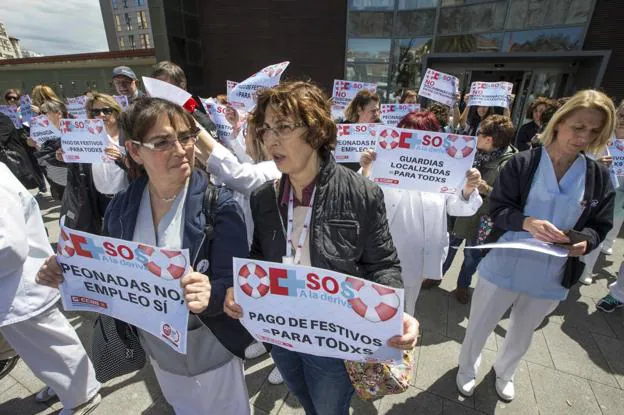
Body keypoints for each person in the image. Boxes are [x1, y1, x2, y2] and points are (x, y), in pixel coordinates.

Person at [37, 97, 254, 414]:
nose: (181, 150)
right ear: (135, 151)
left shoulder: (218, 204)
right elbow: (108, 264)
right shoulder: (123, 206)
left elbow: (236, 283)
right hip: (158, 346)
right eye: (163, 142)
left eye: (186, 137)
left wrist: (213, 292)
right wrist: (67, 266)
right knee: (182, 405)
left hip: (211, 346)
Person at [223, 81, 419, 414]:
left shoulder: (360, 193)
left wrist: (394, 315)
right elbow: (259, 255)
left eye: (283, 128)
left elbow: (383, 263)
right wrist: (238, 289)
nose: (270, 140)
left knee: (329, 408)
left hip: (333, 342)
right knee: (304, 399)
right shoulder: (264, 197)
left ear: (315, 133)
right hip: (281, 335)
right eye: (265, 130)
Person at [456, 90, 615, 402]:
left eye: (595, 131)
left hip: (552, 273)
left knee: (523, 330)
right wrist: (526, 222)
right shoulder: (523, 163)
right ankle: (466, 366)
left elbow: (601, 225)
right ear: (559, 122)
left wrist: (585, 241)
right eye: (578, 127)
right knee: (480, 323)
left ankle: (505, 370)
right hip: (503, 264)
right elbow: (497, 209)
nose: (584, 137)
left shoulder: (597, 175)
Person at [1, 162, 101, 414]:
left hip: (22, 286)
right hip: (12, 291)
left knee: (53, 344)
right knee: (36, 350)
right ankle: (63, 385)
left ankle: (83, 395)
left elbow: (10, 248)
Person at [359, 110, 482, 314]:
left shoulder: (446, 168)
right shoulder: (384, 163)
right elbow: (362, 198)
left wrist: (468, 188)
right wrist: (366, 169)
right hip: (378, 254)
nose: (410, 144)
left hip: (415, 258)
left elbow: (458, 207)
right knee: (371, 306)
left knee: (405, 310)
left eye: (418, 137)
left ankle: (402, 343)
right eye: (406, 136)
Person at [195, 106, 284, 384]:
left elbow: (237, 173)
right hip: (252, 249)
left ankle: (283, 356)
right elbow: (234, 164)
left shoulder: (271, 169)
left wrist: (193, 130)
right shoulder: (257, 164)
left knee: (278, 306)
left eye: (248, 133)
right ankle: (266, 340)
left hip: (273, 252)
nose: (242, 139)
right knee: (257, 301)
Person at [425, 116, 519, 303]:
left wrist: (486, 189)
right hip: (458, 212)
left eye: (480, 133)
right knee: (449, 247)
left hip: (483, 218)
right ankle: (436, 276)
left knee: (472, 254)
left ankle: (462, 285)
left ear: (489, 139)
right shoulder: (470, 151)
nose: (475, 136)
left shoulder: (510, 163)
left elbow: (511, 197)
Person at [60, 93, 127, 234]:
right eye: (95, 112)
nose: (101, 115)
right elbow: (77, 166)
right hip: (99, 197)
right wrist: (62, 156)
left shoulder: (128, 135)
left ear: (116, 111)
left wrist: (122, 158)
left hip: (126, 196)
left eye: (106, 110)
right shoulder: (84, 136)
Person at [578, 99, 624, 285]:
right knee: (594, 229)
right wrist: (596, 165)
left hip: (621, 195)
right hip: (598, 193)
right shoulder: (602, 137)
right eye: (621, 115)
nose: (623, 120)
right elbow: (580, 160)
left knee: (610, 229)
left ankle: (591, 262)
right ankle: (585, 269)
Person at [150, 61, 220, 144]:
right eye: (156, 86)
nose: (159, 92)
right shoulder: (151, 120)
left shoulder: (199, 120)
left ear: (182, 85)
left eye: (164, 86)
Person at [30, 99, 69, 201]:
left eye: (44, 113)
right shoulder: (45, 130)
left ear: (58, 114)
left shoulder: (72, 131)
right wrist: (35, 145)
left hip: (72, 181)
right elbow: (44, 156)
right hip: (57, 180)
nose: (41, 116)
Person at [342, 90, 380, 171]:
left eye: (378, 110)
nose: (376, 114)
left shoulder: (382, 131)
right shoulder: (343, 129)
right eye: (373, 111)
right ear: (359, 110)